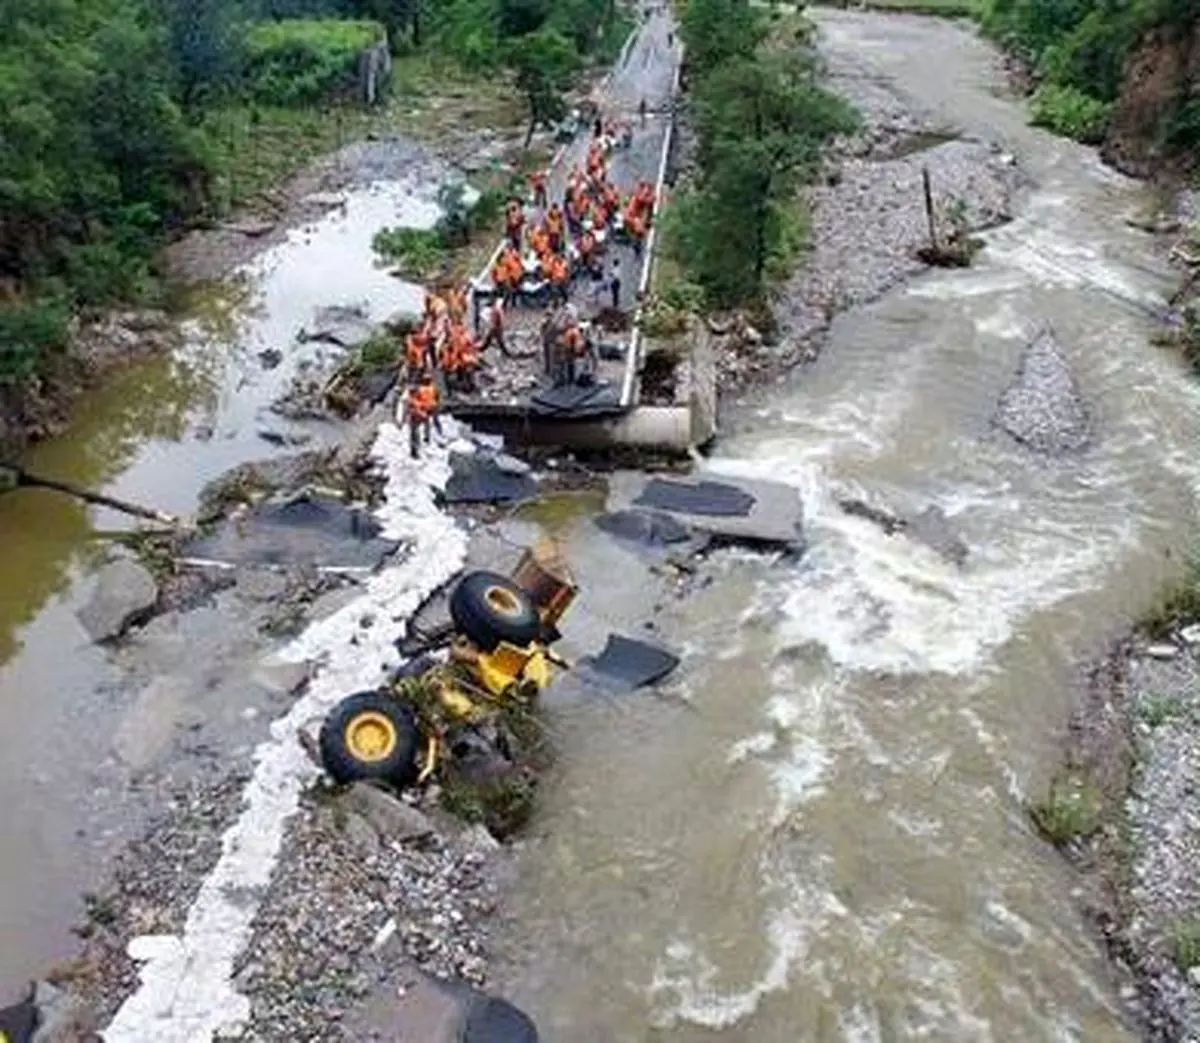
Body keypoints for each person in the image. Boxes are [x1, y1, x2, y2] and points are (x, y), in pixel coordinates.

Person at [405, 371, 441, 459]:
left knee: (416, 432)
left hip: (423, 411)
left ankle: (417, 448)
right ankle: (429, 437)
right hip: (429, 408)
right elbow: (437, 397)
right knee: (431, 423)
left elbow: (412, 408)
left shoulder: (418, 393)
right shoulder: (432, 388)